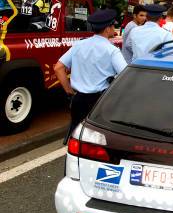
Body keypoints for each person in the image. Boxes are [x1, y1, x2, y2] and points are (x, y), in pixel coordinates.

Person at [53, 9, 127, 141]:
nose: (113, 28)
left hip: (78, 100)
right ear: (107, 28)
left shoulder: (78, 45)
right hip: (100, 102)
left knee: (77, 136)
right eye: (112, 26)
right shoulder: (112, 51)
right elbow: (124, 76)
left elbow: (58, 67)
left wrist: (69, 92)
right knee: (98, 140)